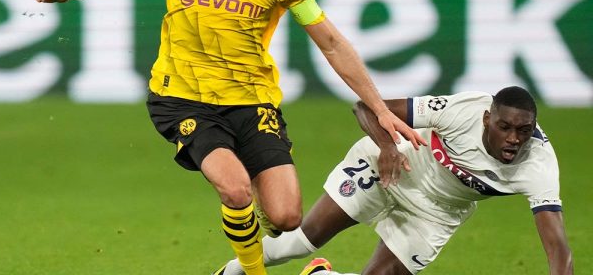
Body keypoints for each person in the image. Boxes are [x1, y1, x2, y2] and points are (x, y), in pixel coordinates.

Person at [32, 0, 425, 275]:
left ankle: (276, 258)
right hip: (182, 96)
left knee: (286, 216)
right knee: (235, 190)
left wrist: (380, 108)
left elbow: (330, 42)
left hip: (252, 100)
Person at [217, 86, 574, 275]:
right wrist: (387, 147)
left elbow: (558, 250)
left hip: (437, 212)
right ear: (486, 119)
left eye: (524, 131)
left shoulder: (538, 165)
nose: (514, 139)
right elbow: (367, 107)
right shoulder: (461, 111)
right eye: (505, 127)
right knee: (300, 242)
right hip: (390, 167)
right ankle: (230, 271)